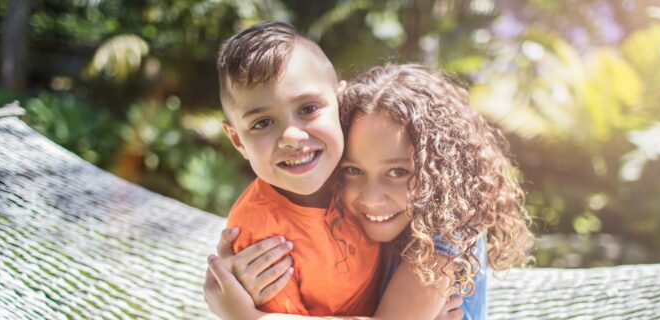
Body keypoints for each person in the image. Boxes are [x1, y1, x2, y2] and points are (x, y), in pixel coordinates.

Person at [206, 64, 535, 319]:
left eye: (397, 172)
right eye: (353, 170)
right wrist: (240, 275)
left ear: (442, 173)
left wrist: (243, 314)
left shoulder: (450, 228)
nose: (372, 197)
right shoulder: (346, 216)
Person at [215, 20, 381, 316]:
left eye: (308, 109)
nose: (292, 137)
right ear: (237, 140)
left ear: (342, 104)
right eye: (262, 123)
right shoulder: (259, 234)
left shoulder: (371, 165)